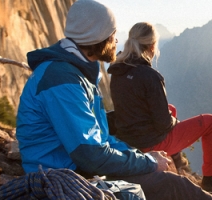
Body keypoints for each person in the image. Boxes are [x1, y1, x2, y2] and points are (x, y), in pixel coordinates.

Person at [16, 0, 212, 199]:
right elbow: (90, 154)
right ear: (99, 36)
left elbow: (100, 140)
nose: (116, 41)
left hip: (77, 167)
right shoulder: (62, 81)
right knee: (173, 186)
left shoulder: (75, 74)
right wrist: (149, 162)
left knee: (165, 179)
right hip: (65, 175)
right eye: (112, 35)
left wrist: (144, 158)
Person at [108, 21, 212, 193]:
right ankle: (209, 182)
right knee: (209, 122)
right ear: (152, 45)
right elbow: (163, 124)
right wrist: (174, 120)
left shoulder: (118, 71)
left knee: (171, 108)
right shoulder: (150, 76)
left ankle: (178, 166)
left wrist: (170, 115)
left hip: (128, 140)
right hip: (151, 144)